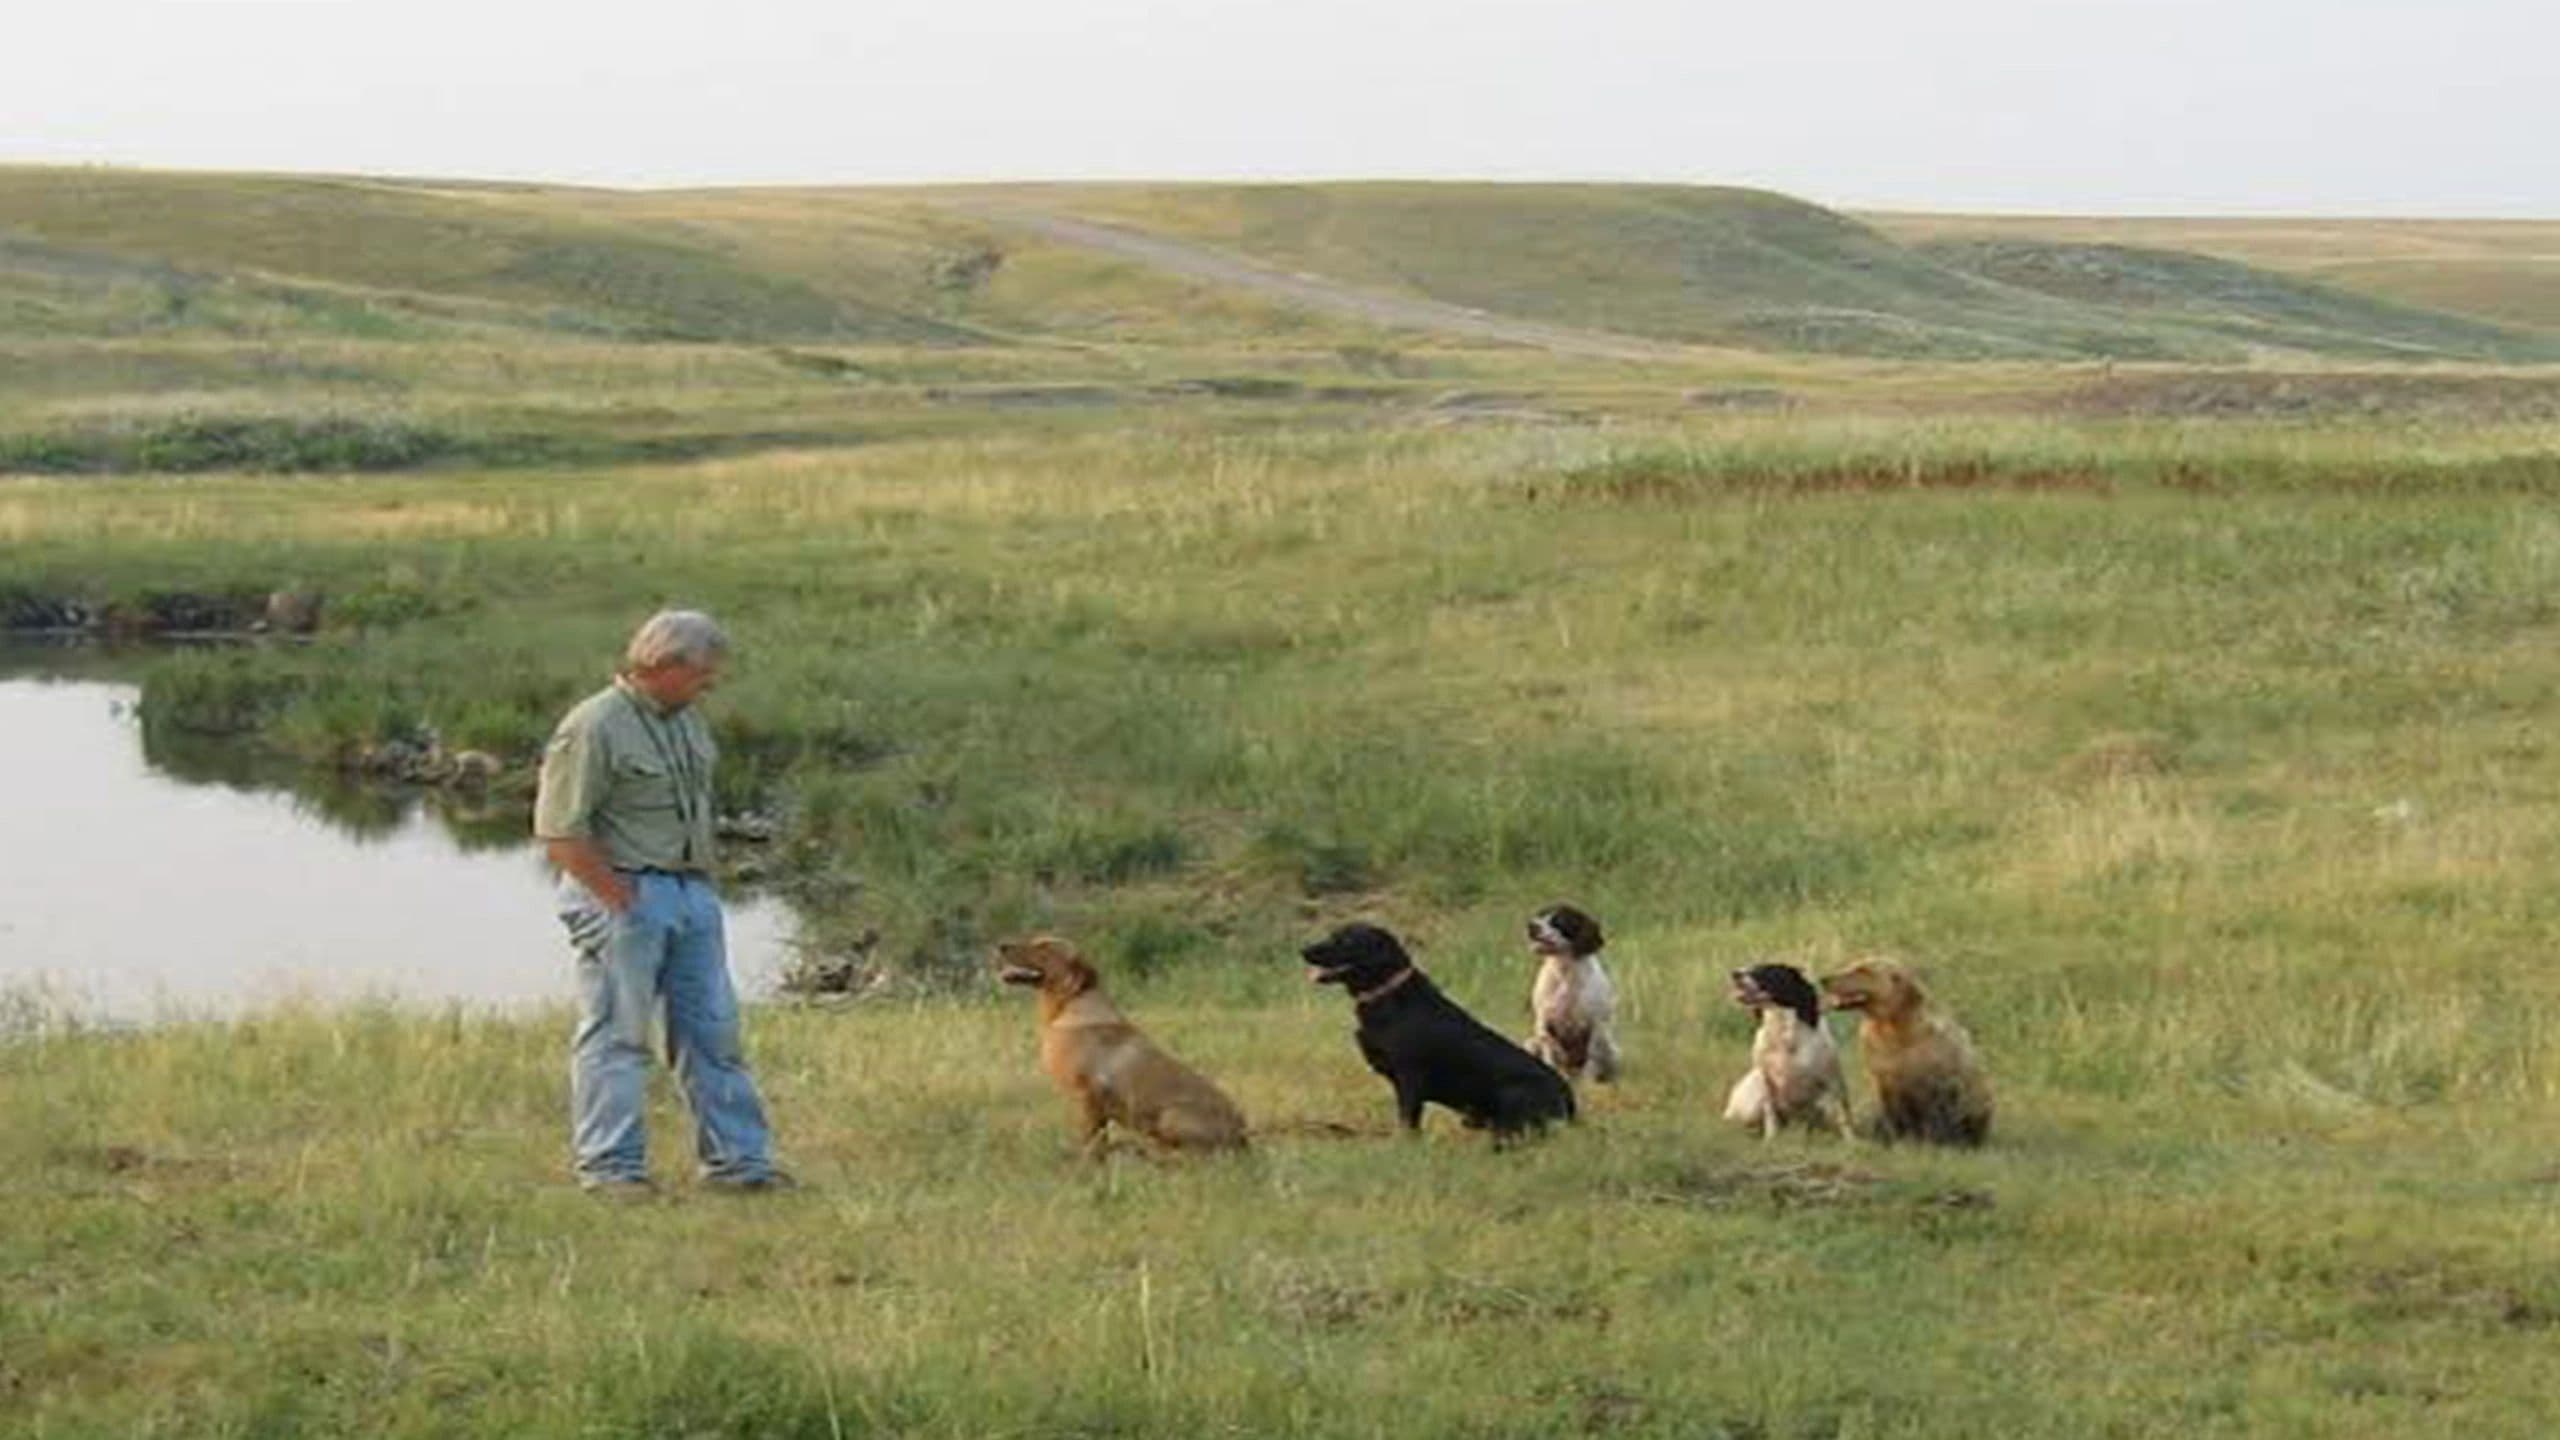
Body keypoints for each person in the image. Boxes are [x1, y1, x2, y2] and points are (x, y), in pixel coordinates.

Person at [533, 608, 791, 1197]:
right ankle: (611, 1169)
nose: (711, 685)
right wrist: (619, 898)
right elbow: (559, 831)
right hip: (626, 895)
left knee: (713, 1032)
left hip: (690, 891)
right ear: (665, 665)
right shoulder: (593, 726)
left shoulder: (687, 722)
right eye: (703, 673)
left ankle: (739, 1165)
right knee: (619, 1035)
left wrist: (696, 888)